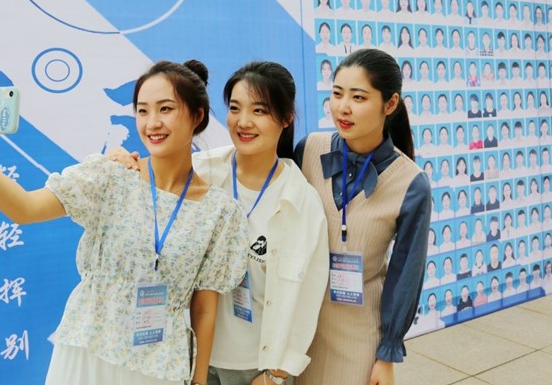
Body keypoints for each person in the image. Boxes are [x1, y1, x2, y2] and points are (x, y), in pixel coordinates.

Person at [0, 61, 249, 385]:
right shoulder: (111, 175)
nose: (152, 123)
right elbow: (25, 208)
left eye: (166, 109)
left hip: (159, 366)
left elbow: (204, 308)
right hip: (86, 354)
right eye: (142, 111)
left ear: (197, 115)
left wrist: (200, 380)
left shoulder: (221, 212)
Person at [108, 62, 331, 385]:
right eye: (235, 108)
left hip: (255, 367)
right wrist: (121, 162)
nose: (243, 122)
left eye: (259, 110)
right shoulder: (201, 172)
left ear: (286, 118)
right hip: (187, 357)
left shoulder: (300, 202)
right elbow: (148, 173)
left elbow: (308, 297)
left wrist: (276, 374)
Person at [294, 49, 432, 385]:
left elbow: (405, 275)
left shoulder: (411, 183)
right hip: (299, 328)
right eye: (337, 94)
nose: (343, 107)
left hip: (358, 333)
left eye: (358, 97)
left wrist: (387, 354)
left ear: (390, 104)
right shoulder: (308, 150)